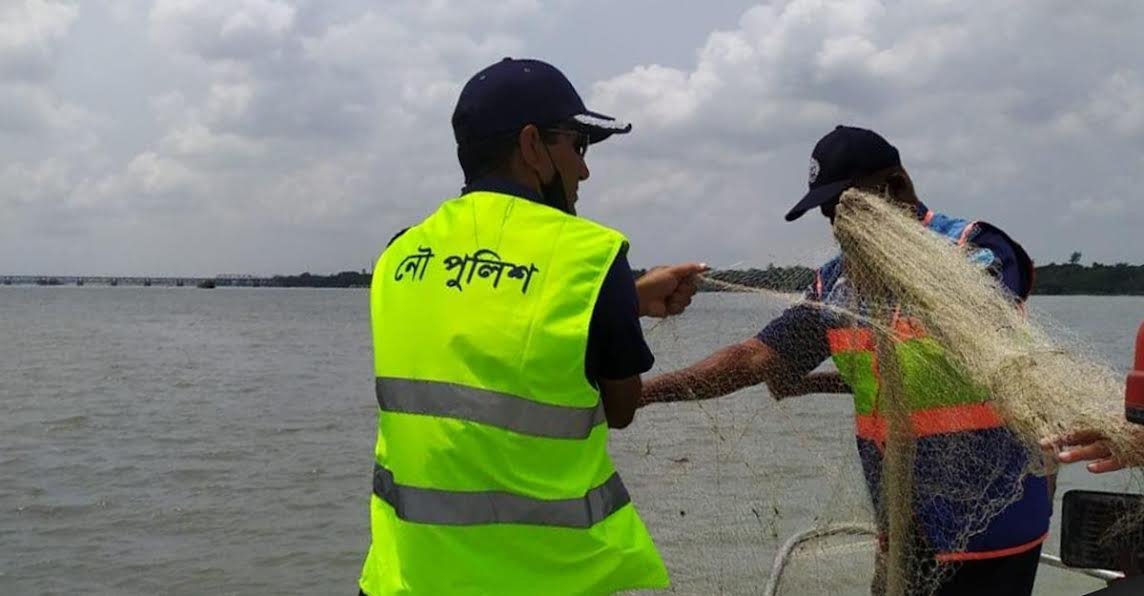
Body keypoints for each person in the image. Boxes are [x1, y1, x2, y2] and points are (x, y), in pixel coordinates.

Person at [641, 126, 1051, 595]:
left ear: (898, 188)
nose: (840, 226)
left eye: (852, 208)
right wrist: (644, 394)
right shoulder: (836, 283)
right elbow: (757, 357)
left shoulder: (975, 248)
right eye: (830, 213)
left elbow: (976, 327)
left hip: (992, 521)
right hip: (902, 524)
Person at [356, 57, 706, 595]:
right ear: (531, 145)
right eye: (578, 146)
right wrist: (615, 303)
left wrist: (626, 303)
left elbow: (473, 322)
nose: (584, 171)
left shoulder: (400, 254)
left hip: (404, 580)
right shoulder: (590, 256)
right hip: (546, 580)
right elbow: (621, 408)